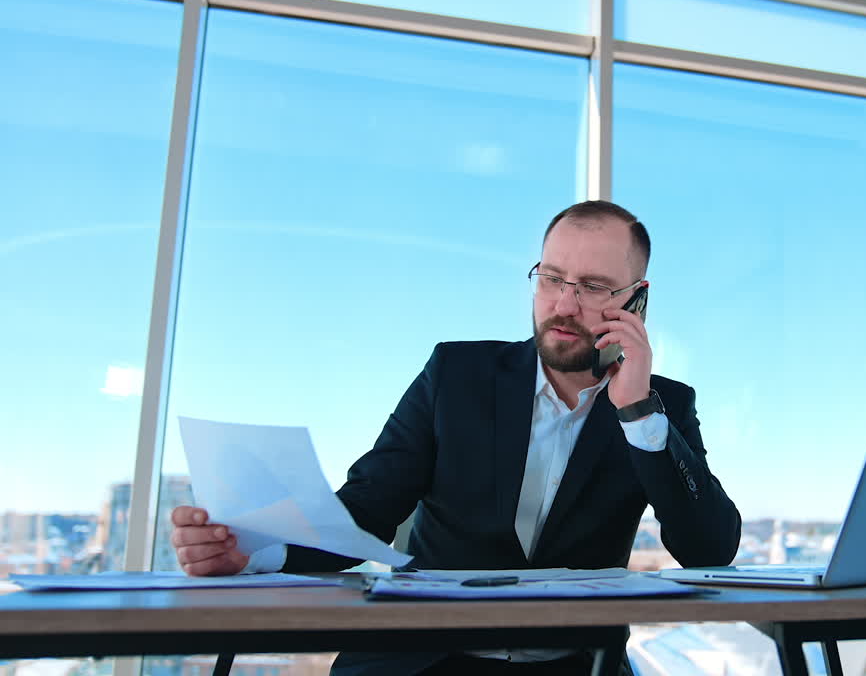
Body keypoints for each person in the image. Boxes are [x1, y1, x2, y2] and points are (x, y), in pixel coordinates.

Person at [169, 201, 742, 675]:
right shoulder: (455, 375)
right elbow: (366, 510)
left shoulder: (661, 406)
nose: (564, 305)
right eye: (552, 279)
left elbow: (709, 550)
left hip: (575, 665)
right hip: (424, 660)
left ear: (636, 299)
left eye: (593, 286)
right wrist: (259, 549)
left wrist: (638, 413)